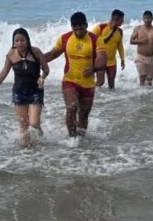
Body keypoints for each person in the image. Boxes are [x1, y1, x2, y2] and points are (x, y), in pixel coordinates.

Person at [44, 12, 107, 143]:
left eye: (81, 29)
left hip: (88, 83)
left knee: (84, 115)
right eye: (75, 29)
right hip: (70, 80)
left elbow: (102, 59)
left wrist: (94, 68)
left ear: (86, 25)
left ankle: (80, 142)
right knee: (72, 107)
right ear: (71, 27)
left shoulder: (96, 40)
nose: (78, 32)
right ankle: (72, 140)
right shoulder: (65, 38)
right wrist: (35, 60)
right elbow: (52, 54)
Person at [0, 28, 49, 146]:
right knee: (23, 124)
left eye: (22, 40)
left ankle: (41, 139)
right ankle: (26, 152)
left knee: (34, 123)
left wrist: (42, 77)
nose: (19, 43)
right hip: (19, 92)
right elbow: (4, 72)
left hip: (35, 90)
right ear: (13, 42)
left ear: (27, 40)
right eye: (16, 41)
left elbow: (46, 69)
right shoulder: (11, 55)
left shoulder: (36, 52)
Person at [92, 9, 125, 89]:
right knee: (100, 82)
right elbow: (92, 42)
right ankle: (91, 93)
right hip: (100, 60)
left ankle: (111, 99)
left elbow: (120, 46)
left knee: (111, 84)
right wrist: (112, 31)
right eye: (122, 19)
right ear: (116, 19)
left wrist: (122, 59)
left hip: (112, 61)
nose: (123, 21)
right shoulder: (100, 27)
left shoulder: (120, 31)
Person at [129, 10, 153, 86]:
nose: (147, 20)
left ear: (152, 18)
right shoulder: (138, 28)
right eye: (145, 18)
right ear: (143, 19)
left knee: (150, 79)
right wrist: (141, 41)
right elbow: (131, 41)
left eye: (149, 18)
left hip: (152, 57)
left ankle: (148, 95)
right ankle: (141, 91)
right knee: (142, 76)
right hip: (141, 57)